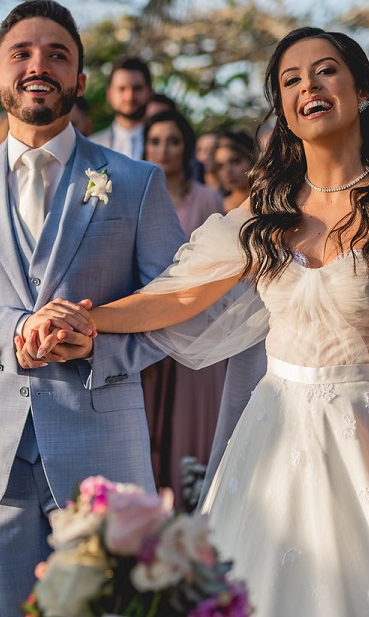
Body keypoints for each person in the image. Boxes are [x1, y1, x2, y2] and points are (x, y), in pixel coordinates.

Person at [26, 27, 369, 616]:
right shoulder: (265, 211)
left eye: (325, 71)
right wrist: (89, 321)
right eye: (290, 81)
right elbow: (176, 298)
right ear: (284, 113)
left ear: (362, 91)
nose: (308, 87)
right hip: (277, 441)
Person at [0, 0, 185, 617]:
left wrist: (99, 345)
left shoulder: (135, 181)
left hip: (100, 445)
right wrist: (14, 332)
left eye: (58, 54)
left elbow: (173, 308)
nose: (40, 64)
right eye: (21, 53)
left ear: (80, 82)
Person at [140, 109, 226, 498]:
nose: (163, 149)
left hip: (196, 327)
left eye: (173, 141)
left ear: (186, 147)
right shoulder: (134, 192)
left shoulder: (208, 198)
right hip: (146, 325)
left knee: (189, 421)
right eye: (155, 141)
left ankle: (191, 500)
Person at [89, 56, 153, 158]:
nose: (129, 97)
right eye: (122, 89)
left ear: (150, 92)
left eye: (137, 88)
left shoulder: (168, 146)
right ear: (109, 94)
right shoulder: (91, 146)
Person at [214, 130, 255, 211]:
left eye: (235, 161)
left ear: (252, 160)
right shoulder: (217, 207)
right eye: (220, 166)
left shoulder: (270, 201)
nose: (227, 171)